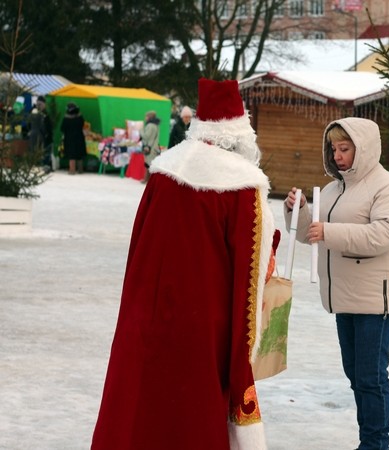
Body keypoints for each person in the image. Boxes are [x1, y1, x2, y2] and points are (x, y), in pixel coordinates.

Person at [91, 78, 276, 450]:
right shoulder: (243, 185)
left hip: (145, 315)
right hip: (204, 326)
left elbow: (141, 244)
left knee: (140, 409)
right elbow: (252, 269)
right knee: (189, 416)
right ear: (240, 134)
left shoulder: (163, 171)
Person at [284, 117, 389, 450]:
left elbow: (383, 235)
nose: (338, 156)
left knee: (371, 377)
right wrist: (299, 213)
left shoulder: (387, 188)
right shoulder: (332, 189)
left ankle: (375, 444)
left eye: (345, 149)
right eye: (334, 149)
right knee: (356, 375)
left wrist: (329, 232)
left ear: (364, 149)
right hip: (345, 297)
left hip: (376, 299)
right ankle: (369, 440)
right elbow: (312, 235)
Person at [60, 102, 86, 174]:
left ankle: (72, 170)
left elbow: (62, 128)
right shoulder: (80, 118)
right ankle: (80, 170)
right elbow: (83, 124)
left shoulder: (66, 119)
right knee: (79, 154)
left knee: (71, 155)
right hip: (79, 137)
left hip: (69, 138)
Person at [140, 110, 161, 183]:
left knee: (148, 164)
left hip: (149, 147)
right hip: (154, 147)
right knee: (150, 164)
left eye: (146, 116)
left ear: (149, 117)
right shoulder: (156, 125)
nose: (145, 118)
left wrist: (141, 131)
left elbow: (146, 136)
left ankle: (148, 180)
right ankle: (147, 180)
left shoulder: (150, 125)